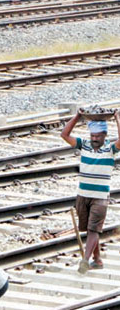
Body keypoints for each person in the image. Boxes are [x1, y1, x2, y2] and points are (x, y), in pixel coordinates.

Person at [60, 110, 120, 273]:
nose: (94, 139)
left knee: (94, 229)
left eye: (98, 136)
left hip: (100, 197)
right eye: (92, 136)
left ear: (104, 135)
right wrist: (77, 117)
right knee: (88, 228)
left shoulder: (110, 148)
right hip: (83, 195)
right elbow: (64, 135)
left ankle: (85, 261)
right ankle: (97, 260)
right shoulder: (84, 144)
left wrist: (117, 118)